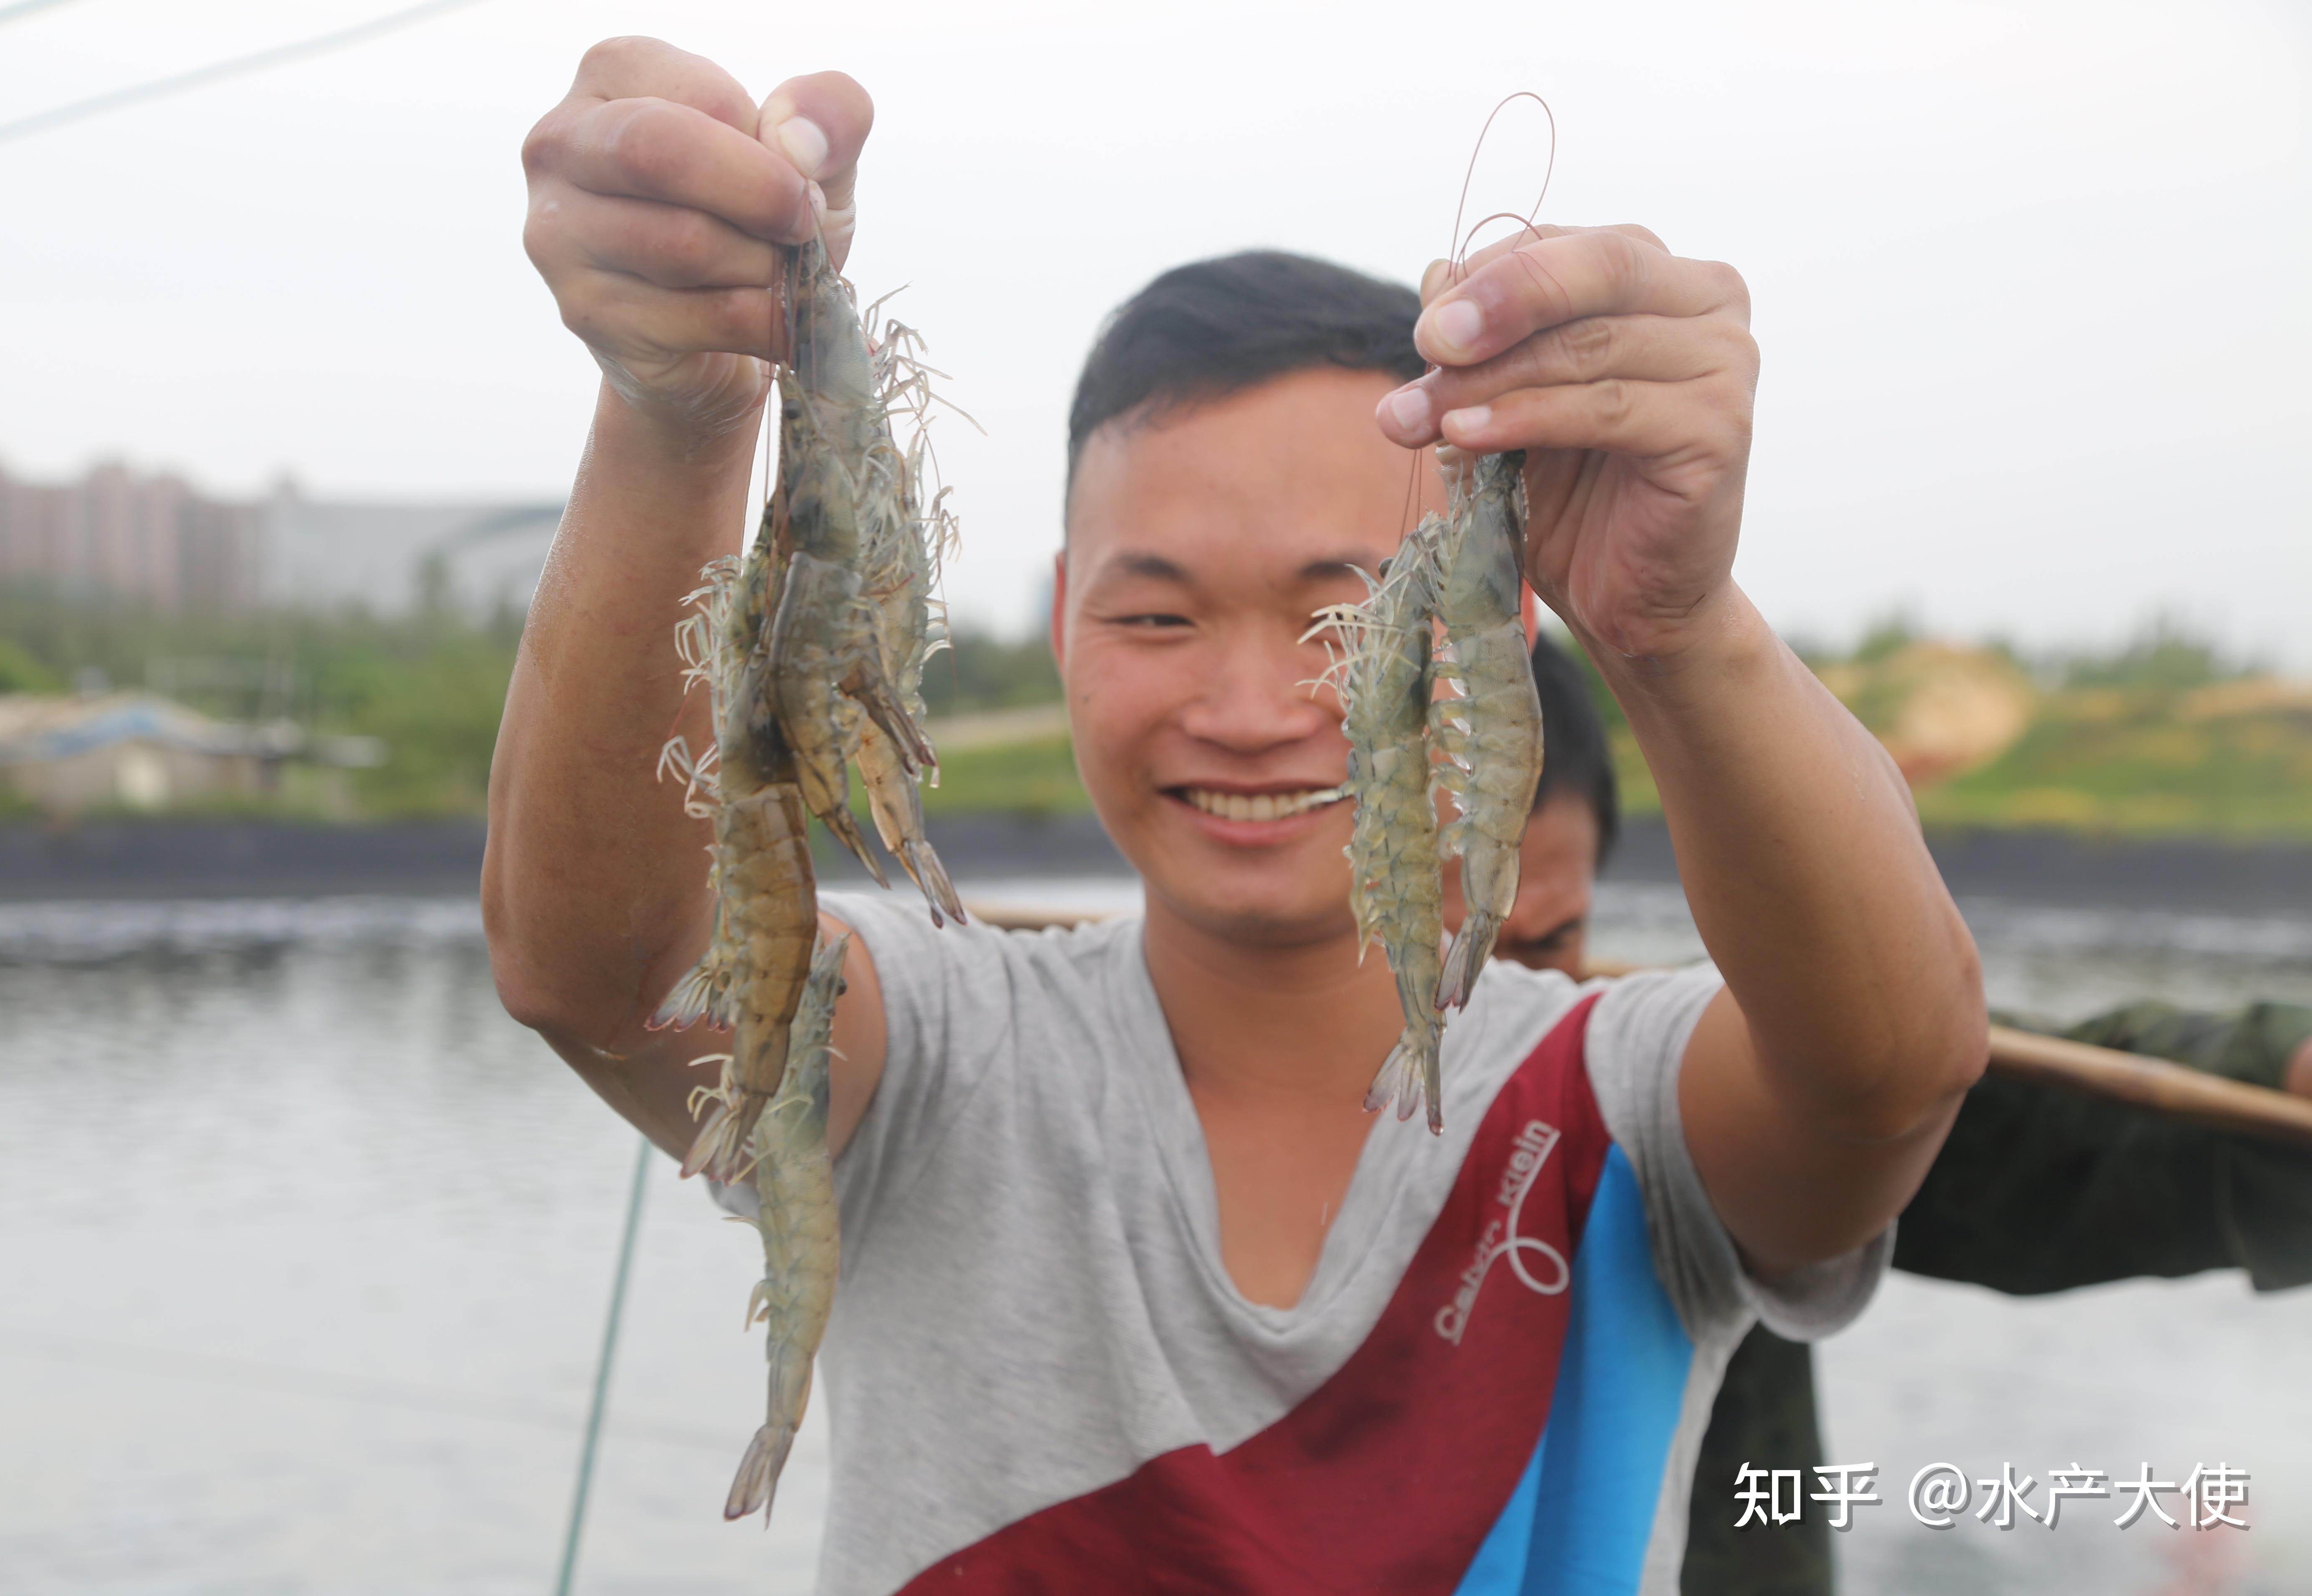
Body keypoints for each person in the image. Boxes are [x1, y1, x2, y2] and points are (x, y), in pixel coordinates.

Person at [488, 42, 1991, 1593]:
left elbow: (1890, 1077)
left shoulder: (1621, 1104)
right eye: (1156, 619)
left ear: (1495, 619)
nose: (1256, 703)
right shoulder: (931, 1054)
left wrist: (1680, 624)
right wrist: (679, 406)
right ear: (1064, 620)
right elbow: (604, 982)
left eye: (1339, 616)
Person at [1500, 635, 2312, 1593]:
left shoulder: (1689, 1091)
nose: (1483, 1000)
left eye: (1543, 944)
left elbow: (2013, 1126)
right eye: (1430, 955)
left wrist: (2280, 1070)